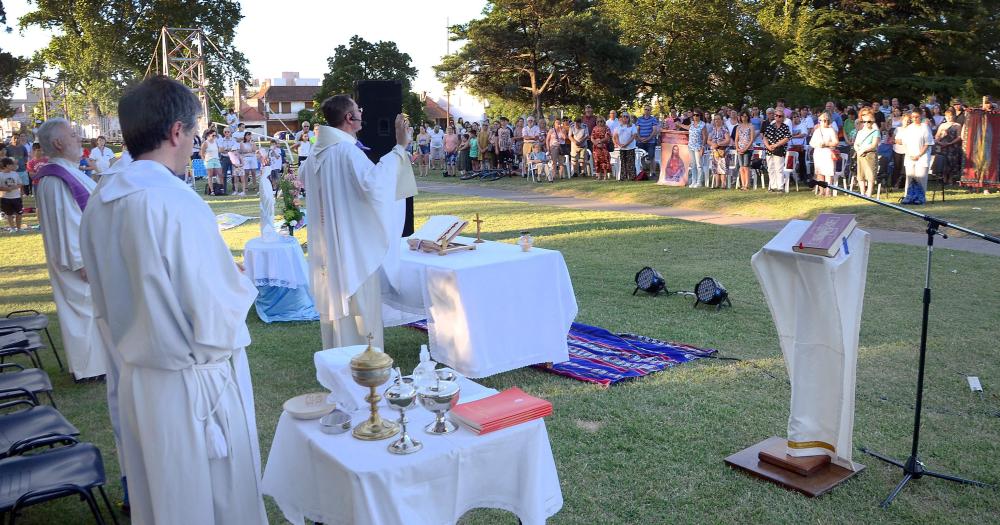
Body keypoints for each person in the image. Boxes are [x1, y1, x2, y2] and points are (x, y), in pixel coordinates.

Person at [80, 76, 266, 524]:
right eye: (195, 136)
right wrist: (237, 281)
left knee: (162, 502)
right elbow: (214, 313)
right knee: (212, 503)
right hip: (193, 387)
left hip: (140, 381)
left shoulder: (101, 199)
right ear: (177, 132)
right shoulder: (174, 201)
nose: (194, 148)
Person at [304, 95, 415, 350]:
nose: (362, 114)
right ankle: (365, 365)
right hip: (353, 248)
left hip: (330, 246)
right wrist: (399, 148)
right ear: (348, 118)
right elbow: (375, 186)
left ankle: (337, 357)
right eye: (358, 110)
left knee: (339, 305)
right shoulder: (345, 151)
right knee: (359, 306)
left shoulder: (316, 153)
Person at [33, 118, 109, 380]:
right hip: (77, 263)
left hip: (89, 257)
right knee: (84, 312)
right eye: (73, 135)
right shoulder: (54, 179)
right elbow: (66, 224)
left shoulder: (68, 171)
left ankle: (100, 364)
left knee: (93, 312)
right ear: (57, 142)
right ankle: (90, 369)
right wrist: (82, 262)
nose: (79, 139)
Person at [898, 109, 934, 202]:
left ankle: (920, 197)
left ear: (921, 116)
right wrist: (909, 154)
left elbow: (928, 143)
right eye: (913, 117)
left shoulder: (925, 127)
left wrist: (919, 155)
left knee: (920, 177)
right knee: (910, 177)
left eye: (916, 117)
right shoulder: (909, 128)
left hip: (922, 157)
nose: (914, 119)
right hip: (910, 156)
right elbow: (904, 142)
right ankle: (908, 196)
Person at [809, 112, 839, 196]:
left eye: (825, 120)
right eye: (822, 120)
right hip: (818, 152)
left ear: (828, 121)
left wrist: (826, 144)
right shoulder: (817, 131)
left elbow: (836, 142)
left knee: (828, 173)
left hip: (827, 152)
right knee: (819, 173)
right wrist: (817, 144)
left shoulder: (831, 130)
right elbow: (811, 143)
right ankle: (821, 191)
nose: (823, 122)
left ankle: (828, 192)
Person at [853, 108, 880, 197]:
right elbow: (855, 144)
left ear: (872, 122)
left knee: (870, 174)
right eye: (864, 122)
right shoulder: (860, 132)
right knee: (860, 174)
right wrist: (858, 151)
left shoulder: (875, 131)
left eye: (869, 121)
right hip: (860, 155)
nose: (866, 123)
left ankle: (869, 192)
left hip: (870, 154)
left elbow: (874, 145)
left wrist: (863, 150)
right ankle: (862, 192)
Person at [763, 111, 791, 192]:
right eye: (776, 115)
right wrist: (768, 146)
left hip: (779, 150)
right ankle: (773, 186)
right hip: (769, 150)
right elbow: (765, 137)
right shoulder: (770, 126)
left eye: (780, 116)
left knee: (779, 169)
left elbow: (787, 138)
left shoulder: (785, 127)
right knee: (770, 168)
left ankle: (780, 187)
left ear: (783, 117)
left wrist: (776, 145)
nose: (778, 117)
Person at [934, 108, 963, 185]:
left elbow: (959, 137)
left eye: (950, 116)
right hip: (943, 147)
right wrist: (939, 141)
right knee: (944, 163)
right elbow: (937, 136)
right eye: (947, 116)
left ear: (953, 116)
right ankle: (944, 179)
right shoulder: (942, 125)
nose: (949, 118)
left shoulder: (957, 125)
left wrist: (950, 143)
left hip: (952, 147)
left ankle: (950, 179)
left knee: (952, 163)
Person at [680, 110, 708, 187]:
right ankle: (693, 181)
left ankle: (699, 182)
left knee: (699, 164)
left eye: (697, 115)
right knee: (693, 164)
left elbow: (705, 136)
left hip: (698, 146)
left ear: (700, 116)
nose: (695, 116)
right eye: (694, 115)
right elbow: (686, 127)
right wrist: (679, 124)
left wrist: (702, 147)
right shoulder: (692, 123)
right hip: (691, 146)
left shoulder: (702, 124)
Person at [707, 114, 730, 188]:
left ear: (721, 120)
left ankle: (723, 184)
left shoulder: (724, 129)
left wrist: (719, 143)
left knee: (722, 167)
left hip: (723, 150)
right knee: (715, 166)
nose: (716, 120)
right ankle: (717, 184)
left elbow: (728, 140)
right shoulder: (713, 130)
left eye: (718, 119)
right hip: (715, 151)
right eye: (715, 119)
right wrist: (712, 144)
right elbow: (708, 140)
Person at [1, 157, 24, 231]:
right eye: (11, 164)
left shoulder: (15, 174)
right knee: (9, 214)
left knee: (19, 214)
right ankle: (12, 229)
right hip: (5, 198)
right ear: (7, 165)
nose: (13, 166)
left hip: (16, 197)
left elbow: (20, 184)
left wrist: (14, 187)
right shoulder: (0, 175)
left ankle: (19, 228)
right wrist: (5, 189)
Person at [734, 112, 755, 190]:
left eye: (745, 116)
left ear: (748, 117)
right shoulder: (738, 127)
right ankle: (743, 184)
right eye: (742, 116)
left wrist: (745, 148)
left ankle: (747, 184)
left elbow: (752, 139)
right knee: (741, 167)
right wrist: (737, 148)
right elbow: (736, 139)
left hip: (748, 149)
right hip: (739, 149)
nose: (744, 118)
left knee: (746, 167)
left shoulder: (751, 126)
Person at [614, 113, 637, 181]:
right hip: (622, 148)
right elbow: (616, 136)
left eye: (626, 116)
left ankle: (632, 177)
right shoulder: (618, 126)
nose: (625, 118)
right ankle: (623, 177)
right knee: (623, 162)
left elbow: (634, 136)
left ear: (629, 118)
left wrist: (626, 144)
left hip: (630, 147)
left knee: (631, 162)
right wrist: (619, 144)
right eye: (623, 116)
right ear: (621, 118)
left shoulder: (632, 126)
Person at [635, 105, 660, 171]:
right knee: (640, 157)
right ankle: (642, 172)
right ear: (644, 110)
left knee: (651, 157)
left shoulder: (653, 119)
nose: (647, 111)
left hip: (651, 142)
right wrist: (640, 138)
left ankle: (653, 173)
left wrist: (648, 139)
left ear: (650, 111)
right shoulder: (639, 119)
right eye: (645, 109)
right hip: (640, 141)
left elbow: (654, 131)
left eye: (648, 110)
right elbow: (637, 130)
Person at [200, 129, 223, 195]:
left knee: (220, 174)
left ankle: (221, 189)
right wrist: (205, 161)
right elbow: (202, 153)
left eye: (215, 135)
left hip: (216, 159)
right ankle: (212, 191)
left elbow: (219, 150)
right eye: (213, 135)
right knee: (210, 176)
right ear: (209, 135)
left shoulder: (216, 142)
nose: (214, 136)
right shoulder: (205, 143)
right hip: (209, 160)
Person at [217, 128, 238, 193]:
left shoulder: (234, 140)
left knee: (234, 174)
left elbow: (234, 150)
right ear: (223, 133)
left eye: (228, 132)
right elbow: (220, 150)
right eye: (225, 132)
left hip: (233, 158)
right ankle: (224, 189)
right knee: (224, 174)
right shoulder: (220, 140)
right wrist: (229, 149)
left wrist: (226, 150)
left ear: (230, 133)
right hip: (224, 158)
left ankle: (234, 189)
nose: (227, 133)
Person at [237, 131, 257, 196]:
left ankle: (254, 186)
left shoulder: (253, 142)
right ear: (245, 136)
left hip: (253, 158)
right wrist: (249, 151)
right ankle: (246, 186)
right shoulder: (242, 143)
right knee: (246, 173)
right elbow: (243, 151)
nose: (249, 137)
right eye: (248, 135)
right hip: (245, 158)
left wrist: (251, 145)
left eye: (250, 135)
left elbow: (254, 150)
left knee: (253, 172)